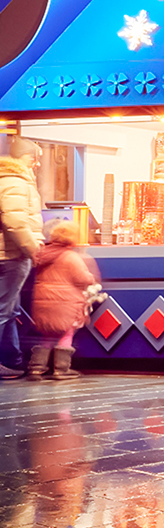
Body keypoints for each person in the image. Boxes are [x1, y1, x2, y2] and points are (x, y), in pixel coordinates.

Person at [28, 222, 98, 381]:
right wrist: (92, 278)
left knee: (47, 334)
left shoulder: (42, 254)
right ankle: (61, 369)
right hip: (65, 303)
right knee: (66, 332)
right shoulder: (70, 257)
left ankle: (36, 368)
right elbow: (83, 278)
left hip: (43, 302)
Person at [0, 139, 43, 379]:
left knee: (10, 310)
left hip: (8, 254)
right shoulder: (15, 181)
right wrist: (32, 248)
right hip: (11, 255)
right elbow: (15, 222)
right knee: (3, 311)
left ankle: (12, 362)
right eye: (35, 158)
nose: (37, 164)